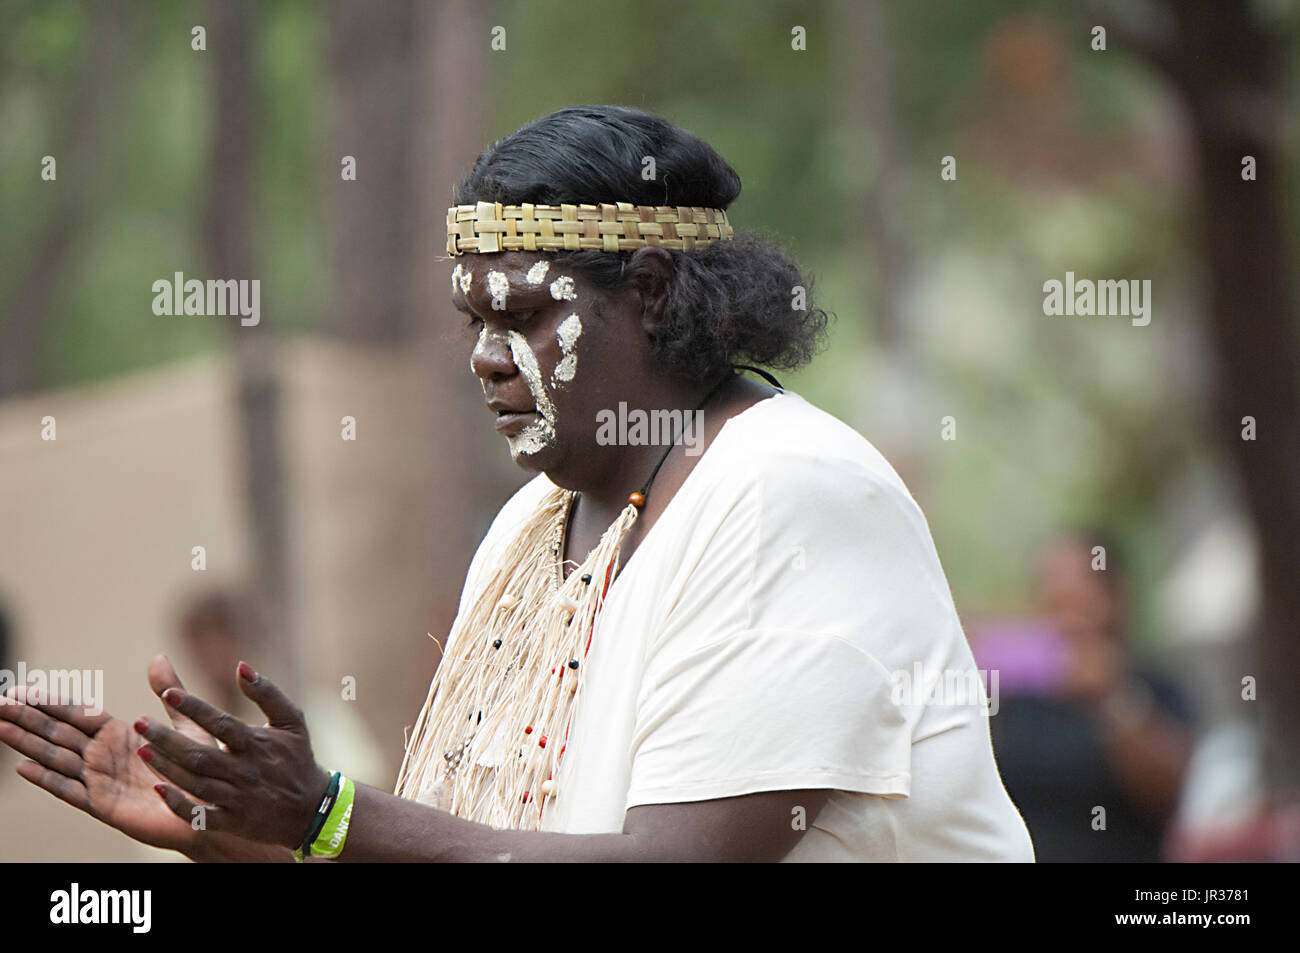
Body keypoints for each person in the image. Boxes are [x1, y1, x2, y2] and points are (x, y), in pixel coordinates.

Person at [0, 105, 1033, 862]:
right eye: (474, 323)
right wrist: (232, 830)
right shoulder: (526, 528)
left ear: (656, 292)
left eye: (526, 315)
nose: (488, 358)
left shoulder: (788, 492)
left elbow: (679, 861)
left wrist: (329, 812)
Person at [982, 532, 1192, 861]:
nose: (1064, 612)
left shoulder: (1151, 686)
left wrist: (1112, 698)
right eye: (1050, 592)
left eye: (1076, 594)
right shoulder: (1015, 698)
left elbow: (1167, 790)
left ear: (1113, 596)